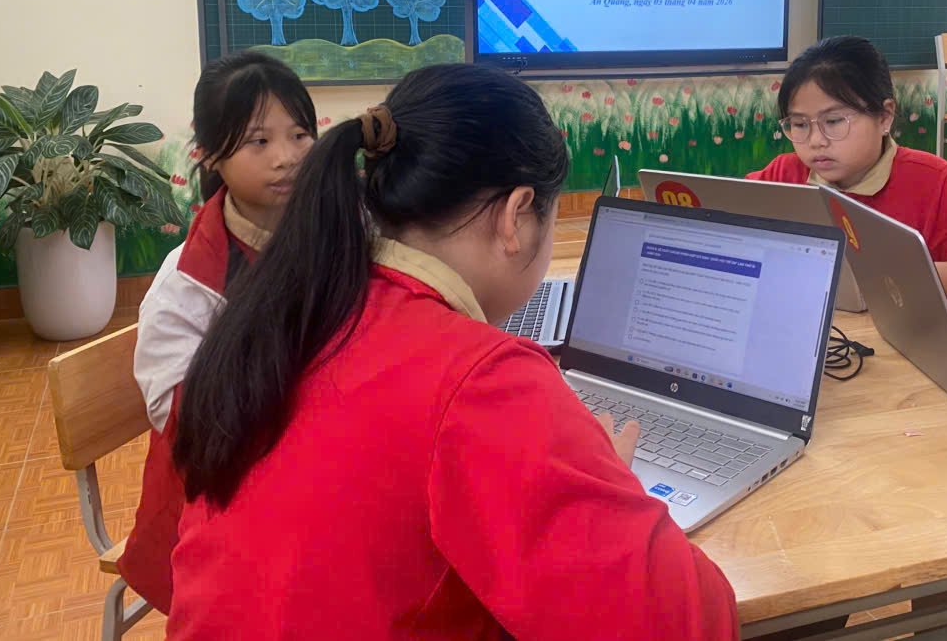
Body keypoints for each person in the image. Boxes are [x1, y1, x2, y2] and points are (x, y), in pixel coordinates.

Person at [165, 64, 738, 640]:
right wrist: (611, 486)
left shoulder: (290, 311)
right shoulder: (480, 378)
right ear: (516, 216)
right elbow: (689, 623)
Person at [120, 52, 318, 613]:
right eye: (259, 141)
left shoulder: (337, 231)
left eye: (299, 135)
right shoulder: (188, 281)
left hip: (313, 473)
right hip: (219, 496)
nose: (286, 157)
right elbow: (181, 417)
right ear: (210, 154)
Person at [748, 36, 947, 297]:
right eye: (799, 124)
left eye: (834, 121)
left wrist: (902, 279)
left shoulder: (934, 182)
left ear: (885, 116)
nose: (815, 141)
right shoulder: (784, 175)